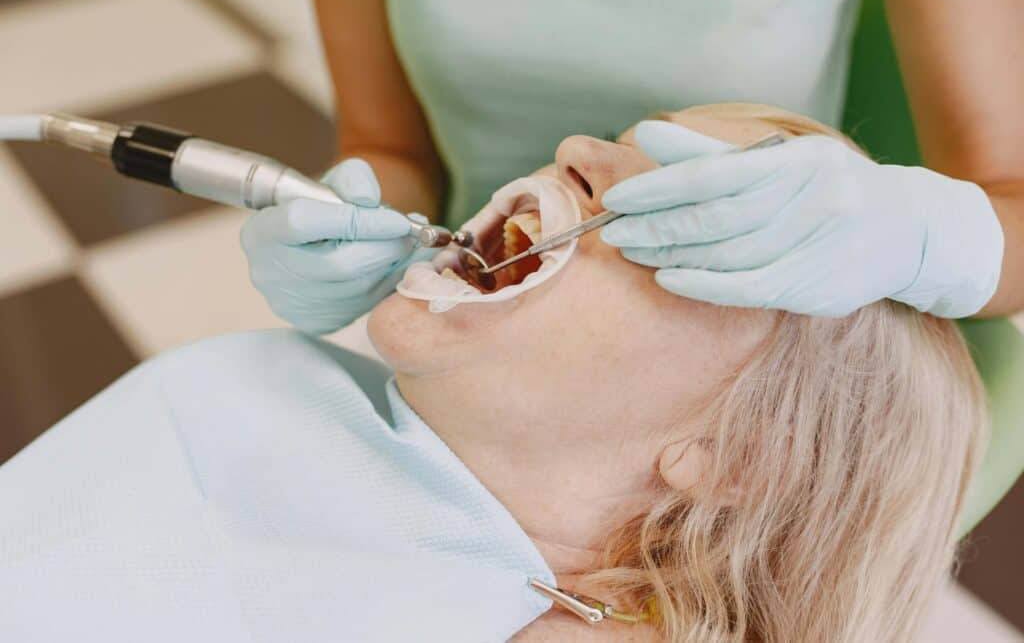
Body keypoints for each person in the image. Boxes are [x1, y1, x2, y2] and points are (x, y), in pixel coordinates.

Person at [0, 106, 987, 642]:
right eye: (623, 142)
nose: (576, 148)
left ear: (735, 456)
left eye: (684, 218)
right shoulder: (286, 384)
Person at [241, 0, 1023, 335]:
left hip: (743, 350)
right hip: (476, 322)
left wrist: (914, 233)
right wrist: (353, 220)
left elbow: (1010, 201)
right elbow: (388, 145)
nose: (574, 151)